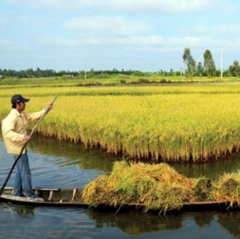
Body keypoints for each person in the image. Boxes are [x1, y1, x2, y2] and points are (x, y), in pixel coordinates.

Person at [1, 94, 53, 201]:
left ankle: (16, 193)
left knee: (20, 172)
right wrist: (22, 137)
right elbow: (8, 133)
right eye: (23, 102)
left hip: (21, 147)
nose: (25, 104)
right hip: (17, 149)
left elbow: (33, 115)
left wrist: (45, 110)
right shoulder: (11, 118)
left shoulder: (21, 114)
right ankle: (30, 195)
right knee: (26, 173)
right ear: (18, 104)